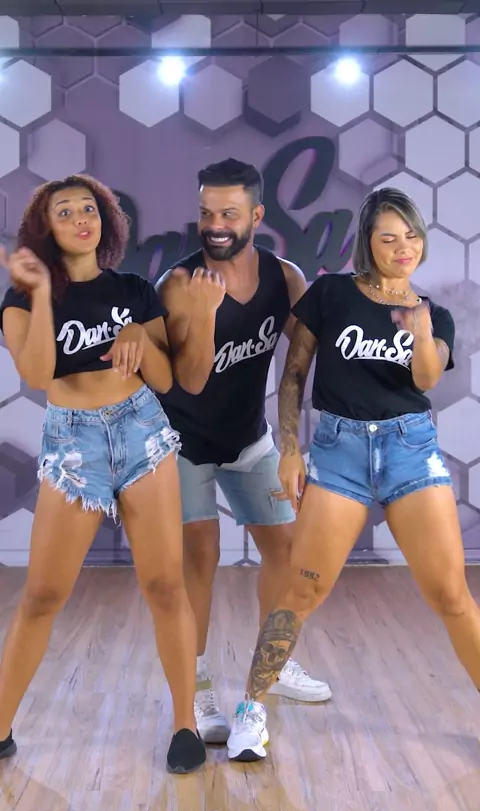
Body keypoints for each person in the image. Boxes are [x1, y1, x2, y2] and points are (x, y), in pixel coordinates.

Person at [226, 186, 480, 762]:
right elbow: (294, 373)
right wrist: (290, 448)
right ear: (368, 242)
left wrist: (419, 330)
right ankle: (251, 710)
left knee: (450, 594)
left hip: (410, 450)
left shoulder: (434, 314)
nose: (403, 247)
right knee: (304, 588)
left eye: (411, 236)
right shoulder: (333, 294)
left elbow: (427, 379)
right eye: (389, 237)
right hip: (338, 451)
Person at [0, 175, 205, 774]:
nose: (79, 219)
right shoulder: (20, 298)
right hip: (74, 442)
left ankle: (186, 724)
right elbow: (38, 374)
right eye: (64, 212)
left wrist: (140, 336)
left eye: (88, 208)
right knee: (43, 594)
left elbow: (164, 380)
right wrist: (41, 293)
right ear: (46, 228)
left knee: (164, 585)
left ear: (105, 220)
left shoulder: (135, 290)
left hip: (141, 431)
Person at [157, 158, 332, 744]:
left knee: (286, 546)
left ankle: (272, 667)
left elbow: (305, 357)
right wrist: (205, 316)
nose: (215, 225)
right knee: (200, 555)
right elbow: (189, 381)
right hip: (183, 440)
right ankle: (198, 683)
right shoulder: (178, 284)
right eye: (206, 213)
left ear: (256, 215)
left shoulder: (285, 277)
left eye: (229, 214)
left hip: (248, 437)